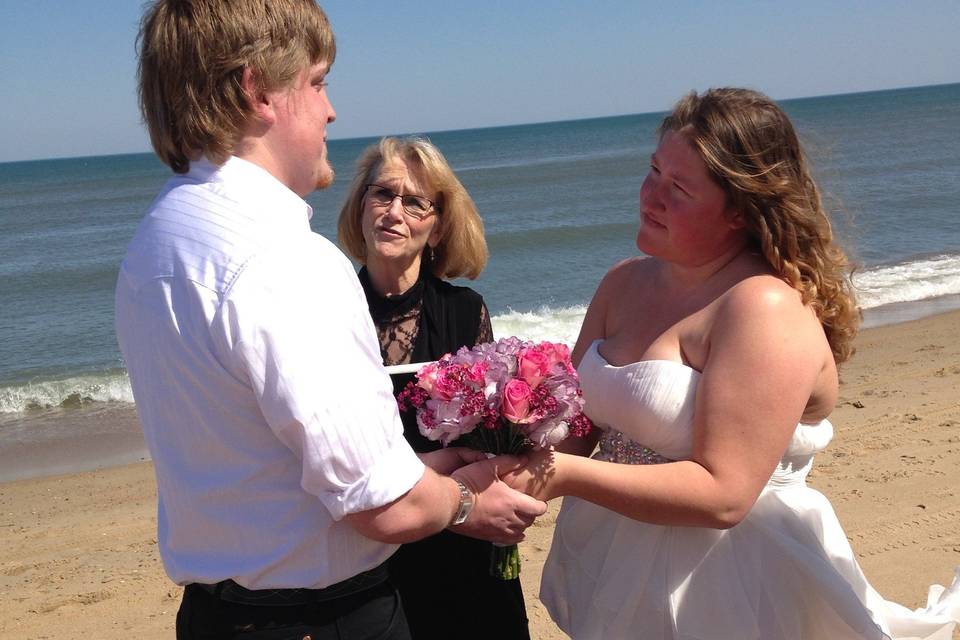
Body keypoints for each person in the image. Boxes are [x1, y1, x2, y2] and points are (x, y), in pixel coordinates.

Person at [116, 2, 545, 639]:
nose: (330, 109)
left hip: (215, 616)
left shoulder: (157, 240)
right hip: (320, 619)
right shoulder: (286, 260)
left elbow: (274, 469)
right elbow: (384, 506)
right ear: (257, 89)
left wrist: (444, 462)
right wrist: (468, 500)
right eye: (317, 83)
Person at [502, 88, 960, 639]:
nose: (651, 197)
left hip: (734, 582)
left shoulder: (763, 307)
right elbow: (574, 425)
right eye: (653, 172)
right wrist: (492, 444)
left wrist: (559, 476)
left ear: (740, 210)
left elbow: (724, 494)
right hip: (617, 558)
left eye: (679, 188)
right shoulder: (622, 283)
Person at [337, 136, 530, 639]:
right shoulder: (329, 313)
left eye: (415, 202)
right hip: (367, 556)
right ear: (360, 208)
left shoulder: (467, 312)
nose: (393, 212)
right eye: (382, 194)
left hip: (459, 543)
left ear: (438, 226)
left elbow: (487, 444)